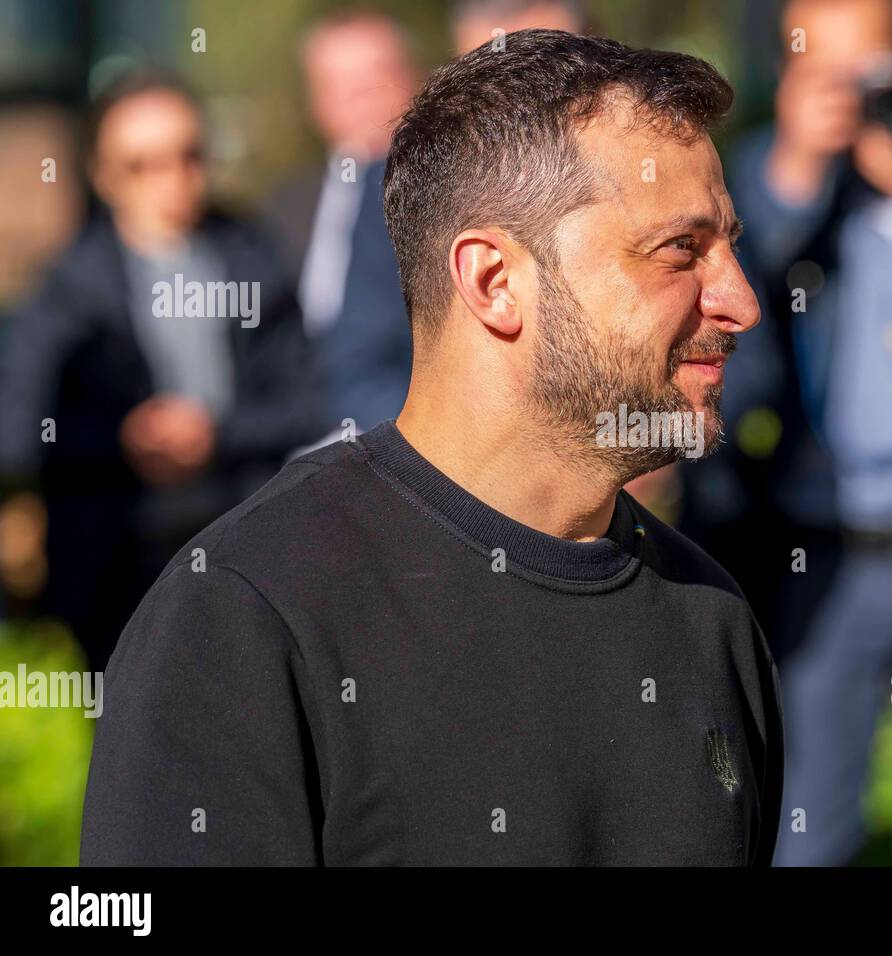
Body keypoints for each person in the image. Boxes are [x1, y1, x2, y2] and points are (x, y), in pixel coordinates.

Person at [80, 29, 782, 866]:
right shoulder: (243, 620)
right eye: (681, 250)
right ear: (494, 282)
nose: (740, 301)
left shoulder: (711, 620)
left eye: (730, 246)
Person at [682, 0, 892, 867]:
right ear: (789, 76)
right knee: (812, 810)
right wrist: (799, 162)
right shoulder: (763, 178)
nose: (856, 94)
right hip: (819, 535)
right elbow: (739, 302)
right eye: (830, 73)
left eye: (874, 71)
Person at [0, 72, 323, 675]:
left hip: (246, 537)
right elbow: (25, 428)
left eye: (188, 157)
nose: (171, 182)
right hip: (117, 562)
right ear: (102, 174)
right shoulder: (68, 289)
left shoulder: (256, 257)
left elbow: (309, 399)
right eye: (141, 165)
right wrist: (123, 439)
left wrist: (215, 434)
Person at [325, 0, 586, 432]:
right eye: (496, 81)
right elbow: (360, 371)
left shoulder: (660, 172)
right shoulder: (393, 187)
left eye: (558, 76)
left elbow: (724, 341)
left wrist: (643, 439)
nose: (527, 103)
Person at [262, 8, 420, 339]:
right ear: (315, 101)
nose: (360, 99)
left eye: (375, 77)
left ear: (413, 79)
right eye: (339, 84)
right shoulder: (282, 208)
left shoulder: (460, 191)